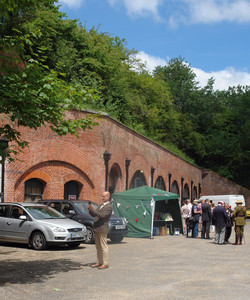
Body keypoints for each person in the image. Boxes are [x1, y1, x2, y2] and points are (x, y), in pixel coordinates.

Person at [88, 191, 113, 269]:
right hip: (97, 228)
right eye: (102, 196)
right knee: (98, 247)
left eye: (104, 196)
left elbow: (102, 216)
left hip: (102, 228)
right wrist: (90, 210)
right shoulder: (101, 205)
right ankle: (99, 262)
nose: (102, 198)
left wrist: (94, 211)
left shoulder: (109, 206)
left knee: (103, 247)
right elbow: (94, 214)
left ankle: (105, 263)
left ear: (108, 197)